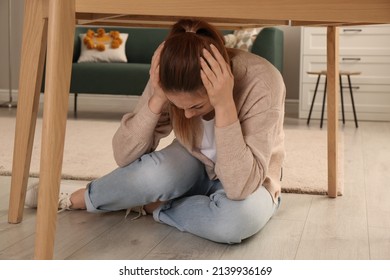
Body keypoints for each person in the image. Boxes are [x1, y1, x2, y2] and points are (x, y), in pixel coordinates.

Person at [26, 19, 286, 244]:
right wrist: (158, 98)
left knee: (234, 222)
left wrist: (224, 104)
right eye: (178, 105)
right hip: (194, 164)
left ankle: (155, 205)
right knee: (148, 175)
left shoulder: (262, 81)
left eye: (196, 105)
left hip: (252, 180)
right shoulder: (167, 76)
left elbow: (241, 187)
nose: (186, 115)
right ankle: (78, 198)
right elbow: (124, 155)